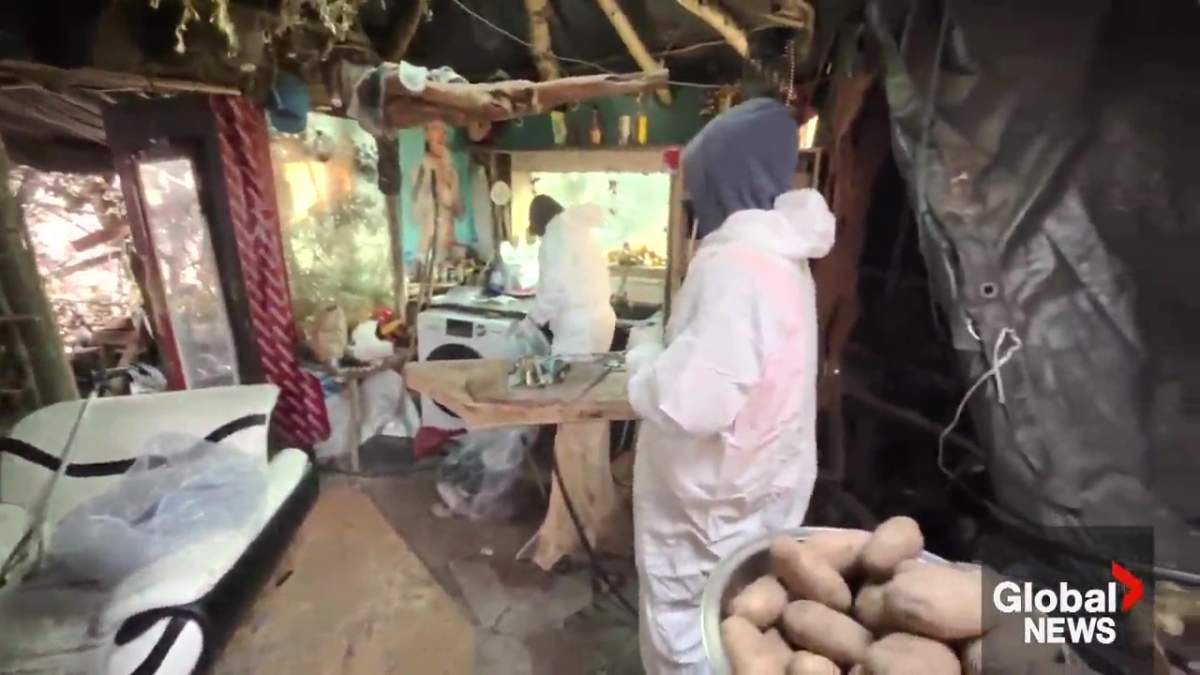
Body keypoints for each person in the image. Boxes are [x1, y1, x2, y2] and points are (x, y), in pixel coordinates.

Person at [624, 98, 836, 673]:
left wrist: (641, 355)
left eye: (698, 186)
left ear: (723, 179)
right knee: (739, 624)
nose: (694, 202)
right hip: (751, 488)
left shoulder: (738, 266)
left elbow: (689, 401)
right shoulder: (780, 256)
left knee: (693, 635)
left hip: (708, 508)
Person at [513, 194, 619, 570]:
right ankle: (596, 515)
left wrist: (530, 321)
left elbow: (554, 291)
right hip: (600, 324)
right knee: (591, 422)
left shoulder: (557, 236)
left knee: (572, 428)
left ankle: (566, 532)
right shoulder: (580, 231)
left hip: (577, 332)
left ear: (540, 222)